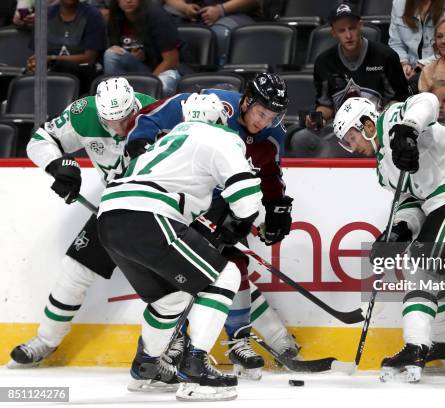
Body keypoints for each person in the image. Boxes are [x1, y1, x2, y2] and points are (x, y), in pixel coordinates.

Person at [124, 72, 298, 380]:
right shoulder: (214, 106)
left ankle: (231, 340)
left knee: (231, 265)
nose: (264, 122)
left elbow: (270, 177)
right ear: (246, 102)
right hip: (180, 200)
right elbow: (151, 117)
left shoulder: (272, 136)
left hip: (221, 206)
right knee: (200, 273)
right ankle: (176, 343)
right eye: (260, 113)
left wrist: (276, 210)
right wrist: (138, 143)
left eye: (272, 117)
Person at [98, 93, 262, 401]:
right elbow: (246, 192)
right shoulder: (222, 137)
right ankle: (195, 370)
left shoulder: (167, 139)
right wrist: (242, 222)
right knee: (224, 276)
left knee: (170, 299)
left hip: (109, 218)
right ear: (220, 119)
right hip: (149, 215)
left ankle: (147, 369)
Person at [8, 79, 161, 379]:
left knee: (180, 284)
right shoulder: (83, 113)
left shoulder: (158, 113)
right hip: (115, 206)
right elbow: (40, 139)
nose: (118, 127)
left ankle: (183, 350)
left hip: (160, 209)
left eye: (125, 120)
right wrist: (58, 165)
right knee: (74, 271)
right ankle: (46, 340)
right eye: (110, 121)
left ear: (134, 107)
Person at [333, 94, 445, 383]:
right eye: (346, 144)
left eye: (351, 138)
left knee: (420, 267)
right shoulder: (383, 168)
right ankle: (443, 346)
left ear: (367, 124)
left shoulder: (393, 119)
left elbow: (428, 100)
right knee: (431, 272)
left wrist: (407, 129)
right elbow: (412, 199)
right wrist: (398, 230)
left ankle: (415, 346)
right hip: (439, 200)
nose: (353, 148)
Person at [310, 2, 409, 129]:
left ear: (360, 26)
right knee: (301, 137)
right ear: (333, 32)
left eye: (352, 28)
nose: (348, 35)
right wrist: (318, 118)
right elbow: (325, 105)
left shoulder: (386, 57)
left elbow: (400, 98)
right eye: (341, 30)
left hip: (380, 127)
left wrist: (382, 120)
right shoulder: (323, 63)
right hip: (341, 130)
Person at [26, 0, 106, 95]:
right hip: (49, 72)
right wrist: (34, 63)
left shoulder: (93, 15)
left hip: (82, 75)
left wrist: (53, 59)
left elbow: (90, 58)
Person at [104, 0, 181, 96]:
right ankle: (115, 100)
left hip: (163, 71)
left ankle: (152, 109)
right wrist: (131, 57)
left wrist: (149, 84)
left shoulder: (157, 15)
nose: (128, 1)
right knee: (111, 54)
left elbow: (171, 60)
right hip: (141, 69)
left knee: (164, 84)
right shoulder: (115, 16)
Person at [162, 0, 262, 64]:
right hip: (195, 14)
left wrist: (221, 10)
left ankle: (222, 81)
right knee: (164, 27)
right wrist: (184, 8)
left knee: (220, 34)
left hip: (236, 13)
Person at [388, 0, 445, 80]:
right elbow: (396, 43)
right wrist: (404, 63)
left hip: (442, 70)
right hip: (408, 70)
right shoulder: (399, 3)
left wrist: (421, 66)